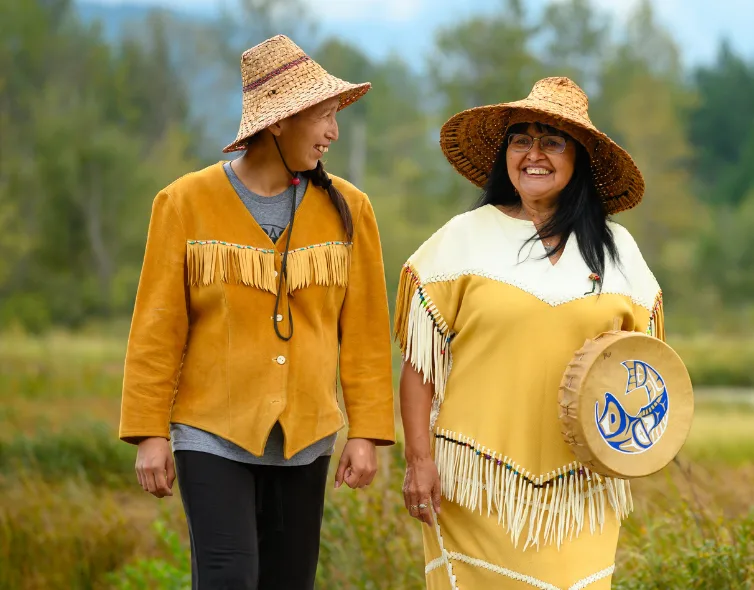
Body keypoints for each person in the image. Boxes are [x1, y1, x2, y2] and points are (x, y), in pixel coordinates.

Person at [118, 35, 396, 589]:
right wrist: (149, 434)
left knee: (289, 581)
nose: (332, 133)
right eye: (323, 117)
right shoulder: (183, 203)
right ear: (278, 122)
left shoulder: (351, 210)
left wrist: (366, 433)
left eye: (334, 117)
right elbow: (157, 328)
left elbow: (363, 333)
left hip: (308, 435)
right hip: (210, 431)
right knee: (229, 578)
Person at [394, 76, 664, 589]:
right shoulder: (463, 239)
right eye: (522, 139)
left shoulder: (619, 251)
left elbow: (648, 367)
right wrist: (419, 462)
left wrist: (635, 445)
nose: (533, 154)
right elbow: (418, 366)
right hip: (474, 487)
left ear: (579, 159)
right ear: (506, 155)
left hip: (582, 487)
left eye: (552, 141)